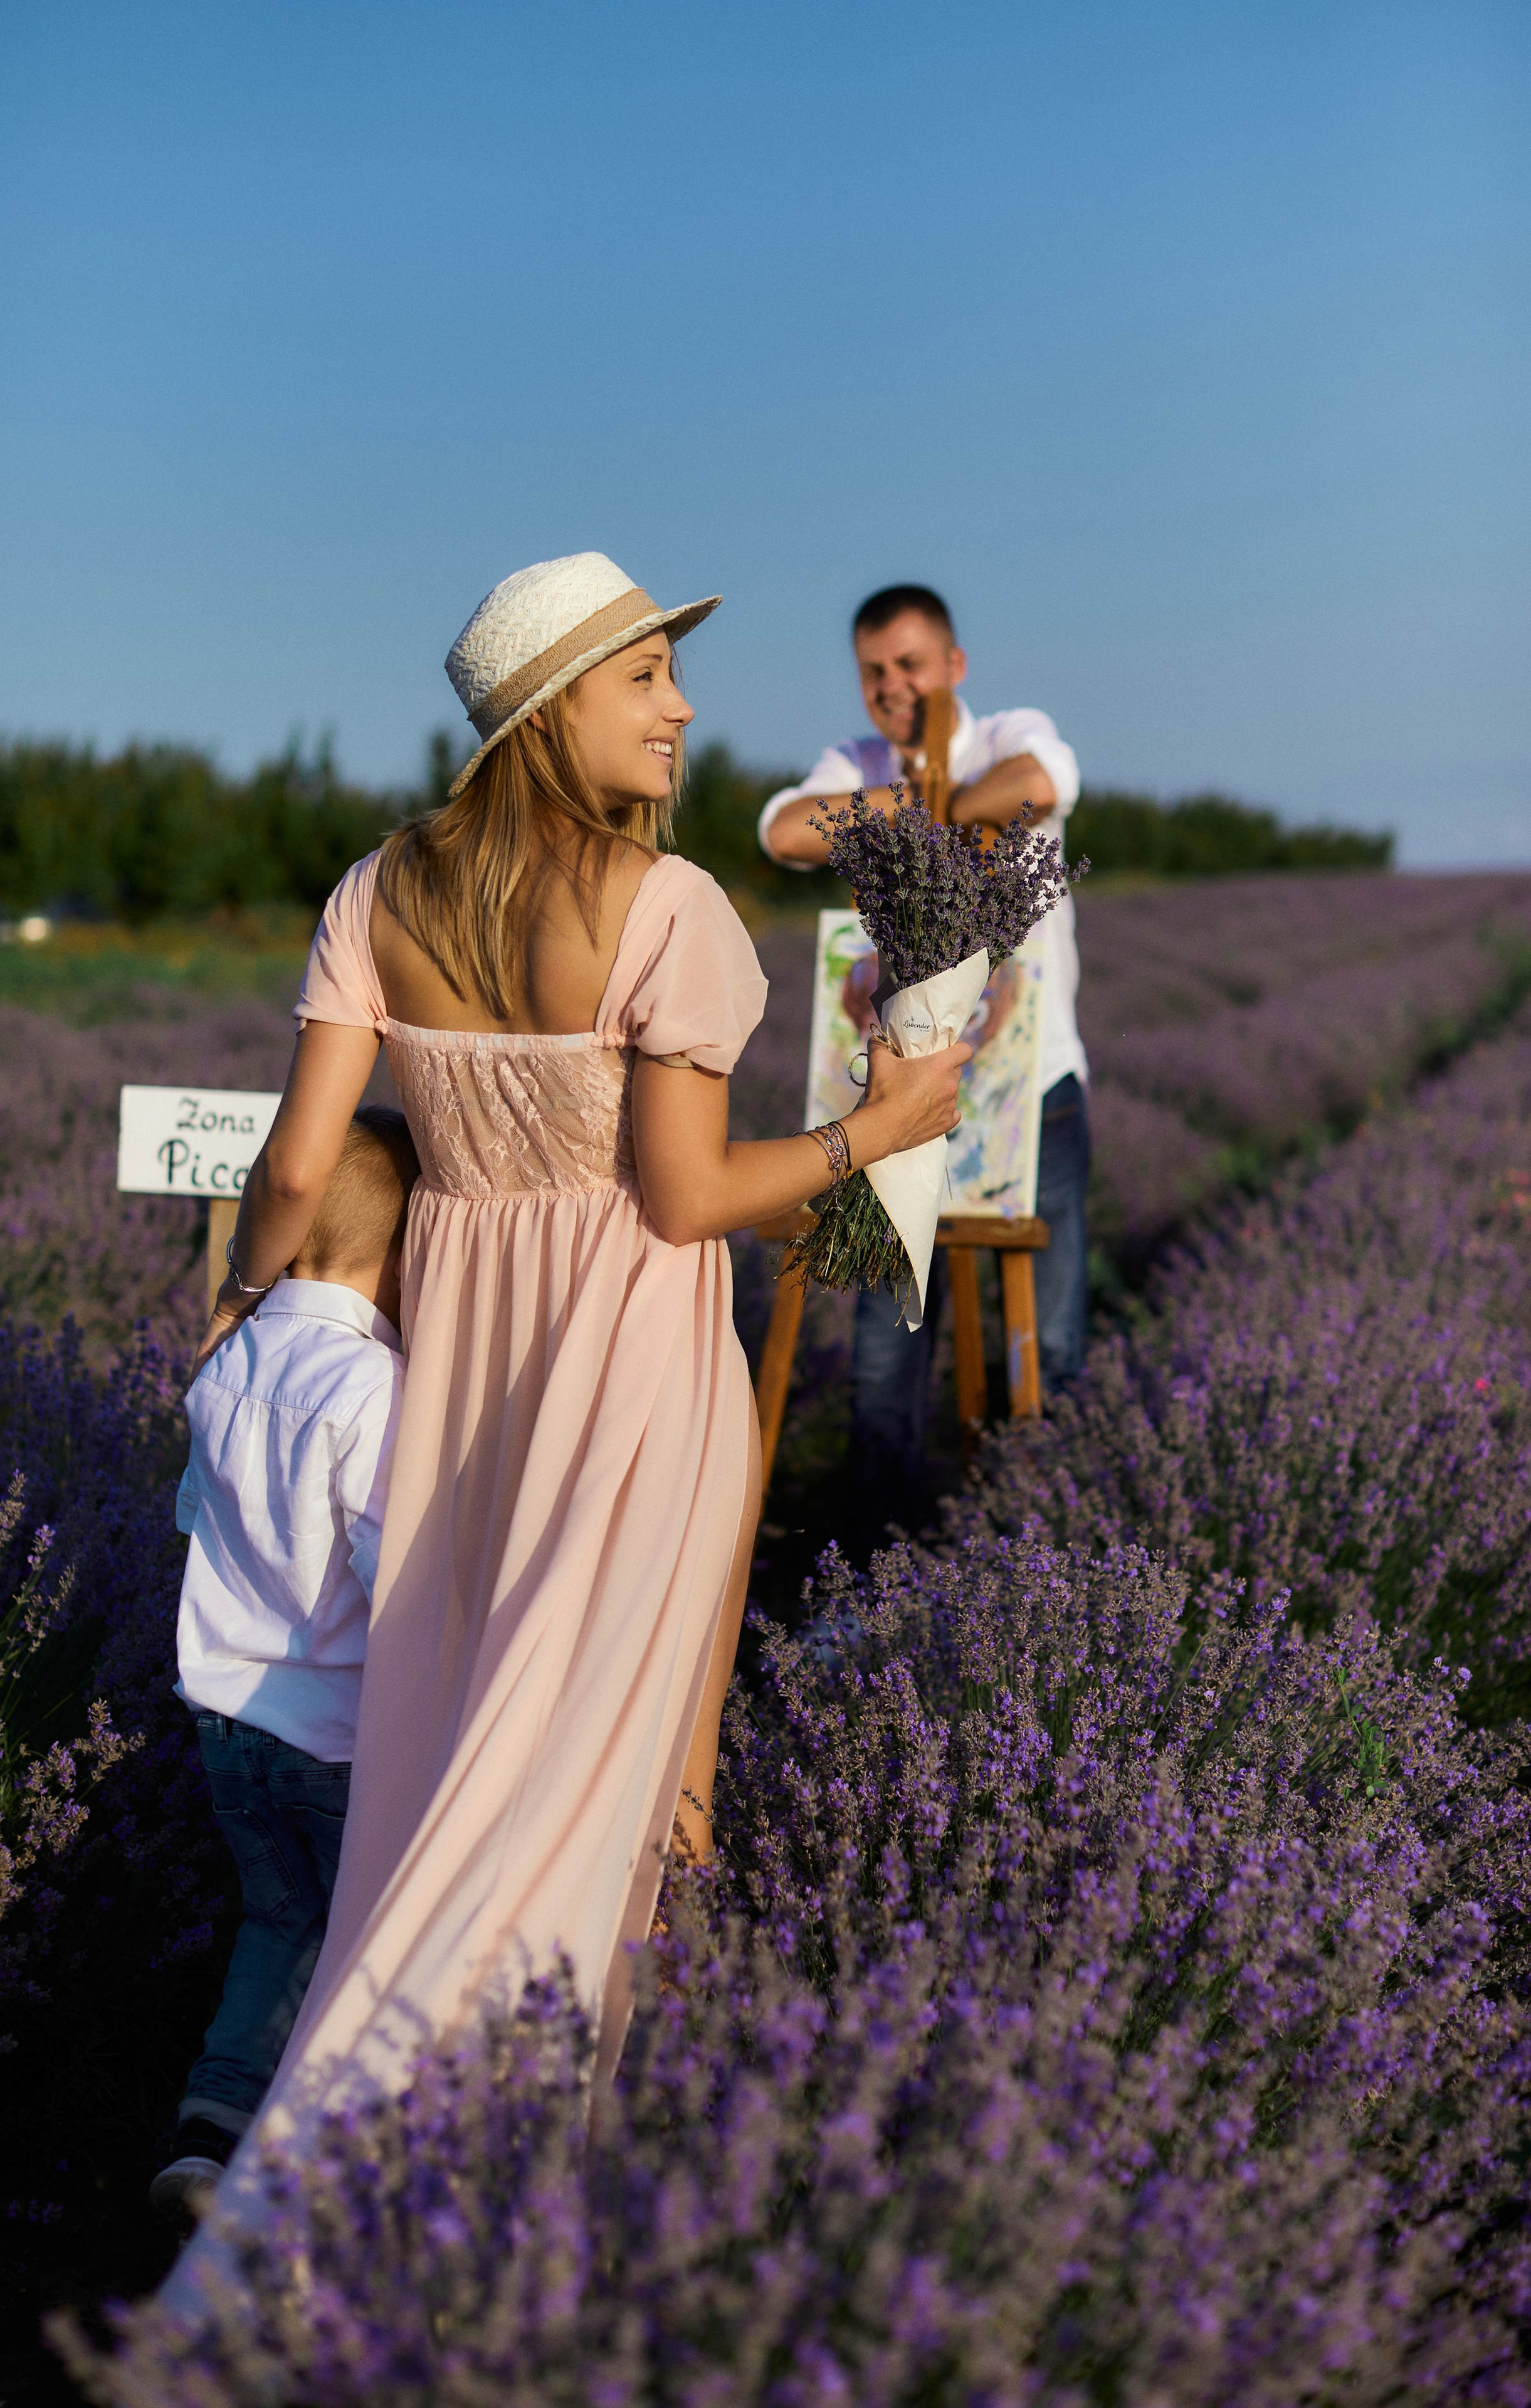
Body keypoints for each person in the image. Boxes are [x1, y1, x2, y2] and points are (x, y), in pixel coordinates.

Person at [160, 552, 968, 2308]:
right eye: (644, 677)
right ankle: (481, 2217)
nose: (680, 708)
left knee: (453, 1766)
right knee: (583, 1792)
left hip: (460, 1381)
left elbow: (296, 1165)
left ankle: (404, 2200)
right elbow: (683, 1202)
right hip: (629, 1377)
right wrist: (878, 1128)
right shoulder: (668, 907)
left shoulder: (374, 891)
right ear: (550, 711)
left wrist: (241, 1307)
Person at [759, 583, 1090, 1539]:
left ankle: (1041, 1548)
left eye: (910, 664)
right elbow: (783, 828)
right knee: (887, 1341)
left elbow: (1040, 781)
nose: (893, 686)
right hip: (895, 1106)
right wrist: (921, 801)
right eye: (873, 672)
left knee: (1046, 1343)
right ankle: (876, 1554)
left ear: (954, 665)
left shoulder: (1010, 733)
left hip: (1031, 1088)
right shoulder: (856, 760)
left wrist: (915, 806)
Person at [149, 1106, 419, 2218]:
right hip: (337, 1737)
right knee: (362, 1941)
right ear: (400, 1254)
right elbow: (392, 1574)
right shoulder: (376, 1388)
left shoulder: (228, 1361)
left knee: (277, 1922)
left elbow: (192, 1519)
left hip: (226, 1724)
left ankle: (209, 2134)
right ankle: (319, 2163)